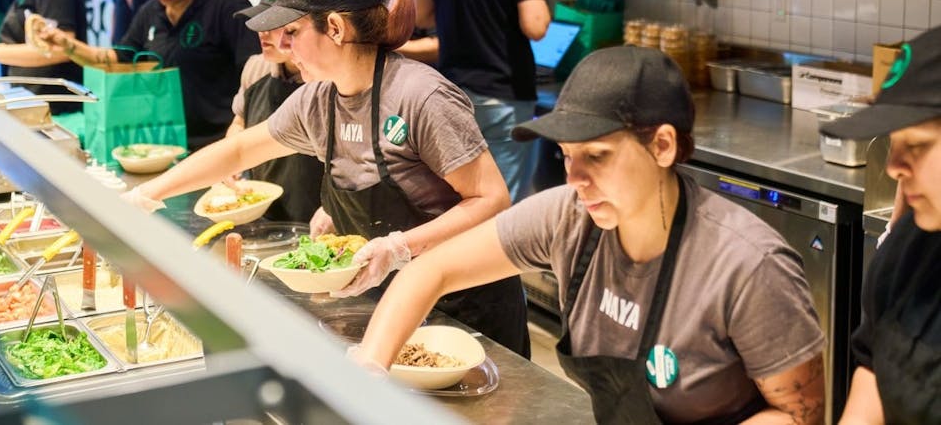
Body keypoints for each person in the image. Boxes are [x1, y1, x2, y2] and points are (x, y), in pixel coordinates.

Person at [353, 46, 827, 424]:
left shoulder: (747, 265)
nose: (575, 179)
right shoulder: (569, 218)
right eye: (566, 155)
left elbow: (798, 414)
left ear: (662, 146)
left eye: (597, 156)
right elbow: (431, 271)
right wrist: (367, 373)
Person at [124, 0, 530, 357]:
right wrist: (147, 195)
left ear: (334, 28)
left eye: (293, 32)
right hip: (391, 306)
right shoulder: (318, 100)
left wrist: (400, 247)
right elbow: (239, 151)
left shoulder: (419, 95)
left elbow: (491, 200)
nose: (283, 46)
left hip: (465, 312)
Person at [36, 0, 259, 151]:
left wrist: (240, 129)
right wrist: (68, 45)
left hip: (218, 145)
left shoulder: (227, 8)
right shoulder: (151, 12)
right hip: (162, 143)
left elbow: (256, 77)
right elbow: (115, 60)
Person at [824, 26, 941, 425]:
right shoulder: (909, 248)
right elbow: (874, 369)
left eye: (918, 145)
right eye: (893, 142)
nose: (892, 167)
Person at [415, 0, 551, 202]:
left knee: (464, 204)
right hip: (504, 97)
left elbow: (421, 14)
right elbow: (536, 25)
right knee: (501, 209)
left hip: (452, 97)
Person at [226, 0, 323, 223]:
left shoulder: (327, 80)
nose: (262, 33)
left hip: (319, 217)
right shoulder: (255, 68)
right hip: (263, 213)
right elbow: (239, 122)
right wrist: (229, 164)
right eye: (260, 21)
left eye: (274, 24)